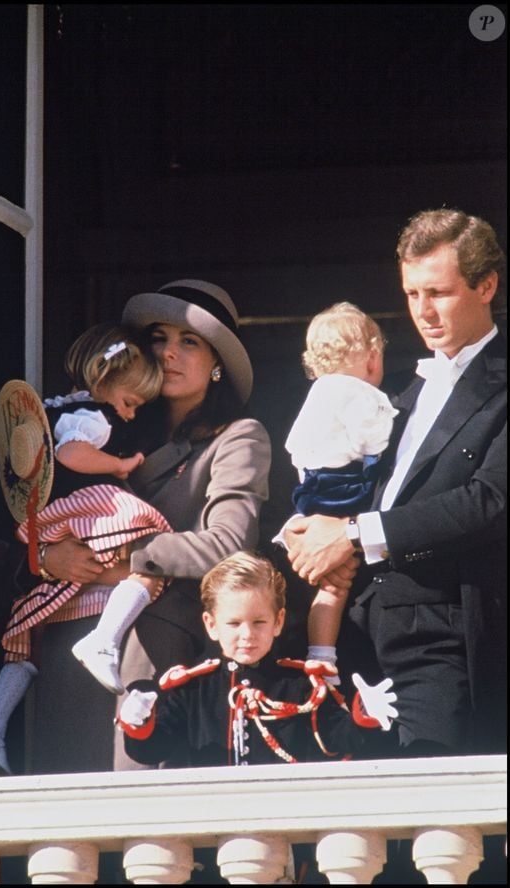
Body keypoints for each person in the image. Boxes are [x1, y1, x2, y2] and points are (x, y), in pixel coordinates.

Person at [25, 279, 273, 773]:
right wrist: (47, 557)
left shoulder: (238, 437)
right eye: (159, 338)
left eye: (189, 343)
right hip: (63, 628)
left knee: (131, 816)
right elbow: (40, 512)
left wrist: (128, 556)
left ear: (217, 362)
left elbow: (230, 544)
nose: (169, 354)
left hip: (154, 642)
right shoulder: (102, 423)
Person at [284, 208, 507, 757]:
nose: (424, 312)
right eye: (411, 294)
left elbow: (489, 501)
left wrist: (354, 534)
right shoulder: (402, 395)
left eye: (439, 292)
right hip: (360, 631)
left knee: (437, 818)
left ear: (486, 286)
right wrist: (310, 527)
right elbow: (352, 485)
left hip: (446, 633)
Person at [0, 324, 171, 774]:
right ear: (103, 383)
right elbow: (72, 455)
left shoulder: (58, 407)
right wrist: (119, 464)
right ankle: (104, 640)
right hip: (81, 509)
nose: (131, 415)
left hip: (50, 520)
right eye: (130, 402)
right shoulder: (94, 417)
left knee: (24, 638)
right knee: (150, 535)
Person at [116, 551, 398, 767]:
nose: (247, 634)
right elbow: (153, 750)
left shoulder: (301, 686)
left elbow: (337, 738)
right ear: (211, 625)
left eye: (259, 622)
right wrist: (139, 725)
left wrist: (365, 716)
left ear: (279, 622)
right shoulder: (190, 689)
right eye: (234, 623)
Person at [282, 302, 397, 682]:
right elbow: (376, 439)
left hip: (311, 487)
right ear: (372, 358)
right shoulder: (361, 394)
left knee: (328, 584)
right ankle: (323, 657)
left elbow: (294, 446)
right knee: (339, 578)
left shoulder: (316, 394)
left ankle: (320, 653)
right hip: (344, 490)